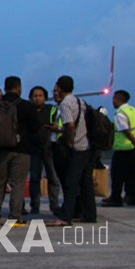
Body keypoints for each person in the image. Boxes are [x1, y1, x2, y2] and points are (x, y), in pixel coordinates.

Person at [0, 76, 39, 225]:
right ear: (19, 87)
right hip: (21, 150)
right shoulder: (26, 106)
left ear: (5, 87)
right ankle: (15, 217)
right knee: (18, 184)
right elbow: (35, 128)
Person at [49, 76, 97, 226]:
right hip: (87, 146)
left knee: (71, 182)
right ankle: (89, 214)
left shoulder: (65, 104)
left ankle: (65, 216)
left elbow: (69, 125)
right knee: (85, 182)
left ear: (60, 88)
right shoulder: (79, 101)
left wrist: (68, 140)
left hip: (78, 147)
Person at [102, 90, 135, 207]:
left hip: (124, 149)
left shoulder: (120, 113)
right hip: (134, 149)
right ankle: (134, 198)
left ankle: (115, 198)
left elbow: (126, 131)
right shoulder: (133, 111)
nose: (112, 101)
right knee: (133, 175)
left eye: (113, 99)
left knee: (117, 174)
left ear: (118, 99)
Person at [28, 86, 62, 215]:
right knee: (34, 178)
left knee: (53, 178)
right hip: (34, 149)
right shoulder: (28, 111)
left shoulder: (52, 109)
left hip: (49, 148)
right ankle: (34, 206)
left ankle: (54, 205)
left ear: (45, 97)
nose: (37, 98)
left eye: (40, 95)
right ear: (31, 98)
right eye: (35, 96)